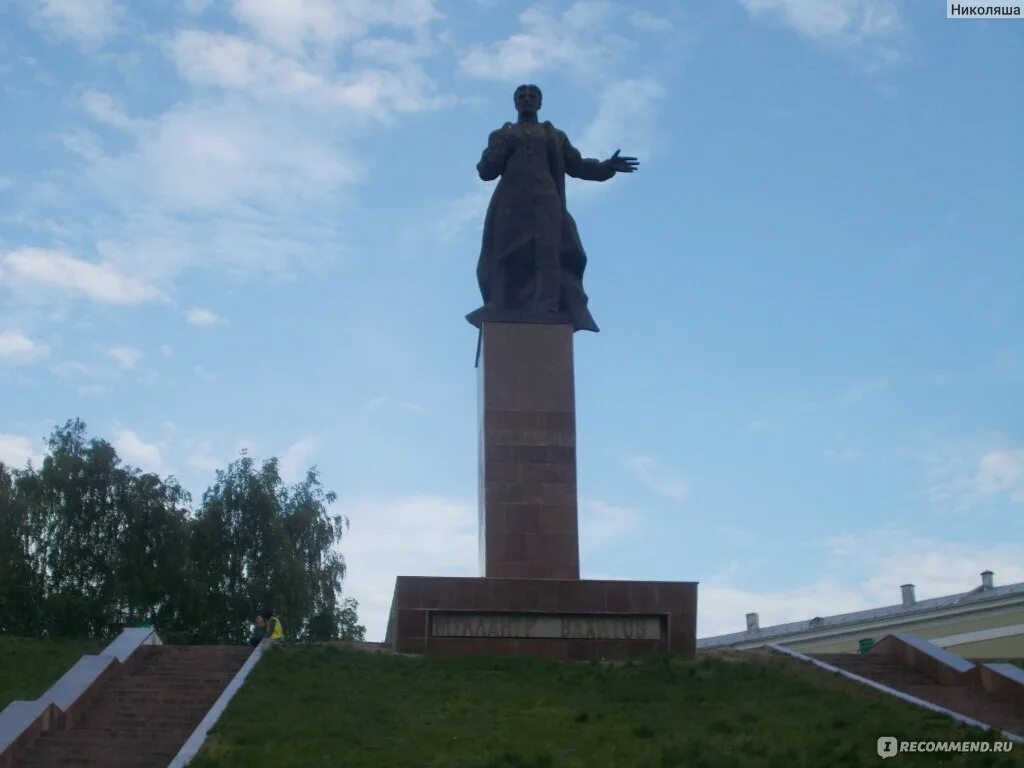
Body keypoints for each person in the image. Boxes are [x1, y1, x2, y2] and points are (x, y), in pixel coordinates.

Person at [467, 84, 638, 333]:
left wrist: (606, 167)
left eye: (532, 96)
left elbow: (577, 165)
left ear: (540, 103)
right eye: (521, 97)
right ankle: (501, 303)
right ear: (515, 103)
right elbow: (486, 171)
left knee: (549, 254)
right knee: (505, 254)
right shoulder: (501, 134)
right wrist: (503, 143)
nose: (527, 99)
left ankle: (547, 308)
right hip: (510, 202)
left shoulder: (554, 135)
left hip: (546, 199)